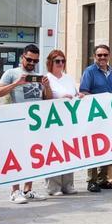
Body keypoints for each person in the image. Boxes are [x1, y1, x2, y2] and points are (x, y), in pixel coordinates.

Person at [0, 44, 51, 204]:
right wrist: (16, 84)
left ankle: (28, 189)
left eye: (35, 61)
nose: (32, 63)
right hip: (16, 121)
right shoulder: (11, 73)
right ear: (22, 57)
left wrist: (46, 86)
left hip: (34, 122)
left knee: (33, 155)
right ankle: (15, 191)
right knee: (17, 155)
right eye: (29, 59)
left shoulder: (38, 75)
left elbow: (47, 99)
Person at [79, 44, 112, 192]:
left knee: (107, 147)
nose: (102, 58)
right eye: (99, 55)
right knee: (93, 147)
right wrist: (102, 100)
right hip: (95, 116)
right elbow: (84, 92)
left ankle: (103, 178)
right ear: (94, 57)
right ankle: (91, 180)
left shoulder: (111, 72)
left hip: (110, 117)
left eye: (105, 55)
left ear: (109, 56)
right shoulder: (89, 72)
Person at [44, 49, 80, 195]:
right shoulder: (46, 78)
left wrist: (79, 96)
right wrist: (59, 98)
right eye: (57, 61)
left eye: (62, 61)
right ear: (50, 63)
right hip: (53, 120)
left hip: (69, 121)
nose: (60, 64)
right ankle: (54, 186)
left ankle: (68, 184)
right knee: (55, 152)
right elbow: (45, 99)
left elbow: (75, 94)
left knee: (69, 151)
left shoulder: (68, 78)